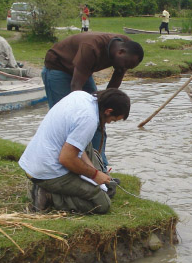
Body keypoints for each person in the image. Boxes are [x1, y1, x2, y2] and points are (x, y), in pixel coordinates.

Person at [41, 32, 144, 170]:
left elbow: (112, 89)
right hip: (58, 68)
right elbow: (75, 89)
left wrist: (104, 108)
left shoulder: (128, 50)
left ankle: (100, 167)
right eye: (125, 65)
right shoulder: (91, 47)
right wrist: (82, 116)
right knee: (65, 120)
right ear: (120, 52)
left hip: (83, 70)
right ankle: (61, 166)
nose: (124, 68)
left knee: (99, 118)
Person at [19, 89, 131, 214]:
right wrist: (94, 175)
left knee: (86, 145)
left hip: (34, 162)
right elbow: (66, 159)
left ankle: (100, 183)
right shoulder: (90, 120)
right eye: (113, 120)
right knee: (102, 204)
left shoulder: (81, 96)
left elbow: (78, 146)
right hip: (47, 173)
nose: (109, 123)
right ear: (108, 111)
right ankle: (49, 195)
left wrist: (94, 172)